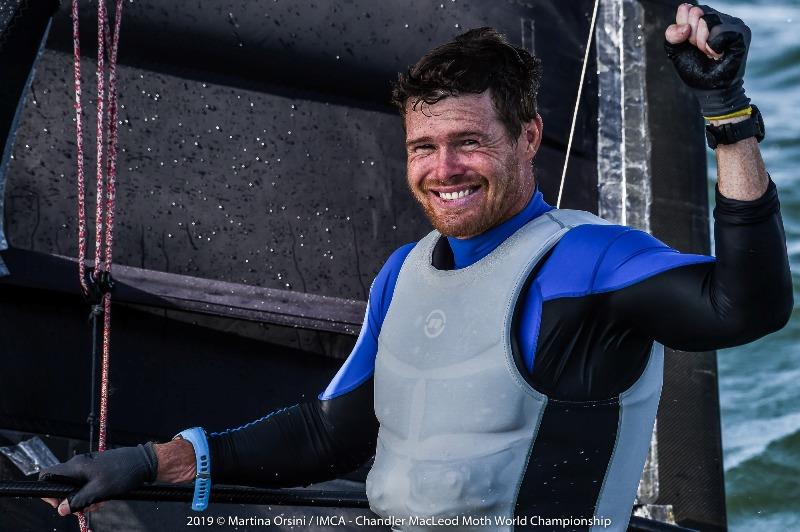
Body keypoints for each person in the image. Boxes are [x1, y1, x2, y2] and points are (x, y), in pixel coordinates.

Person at [41, 4, 792, 531]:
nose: (443, 168)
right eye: (422, 147)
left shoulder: (588, 260)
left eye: (467, 141)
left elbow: (745, 306)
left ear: (529, 136)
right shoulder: (404, 272)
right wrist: (146, 461)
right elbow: (325, 435)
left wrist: (726, 118)